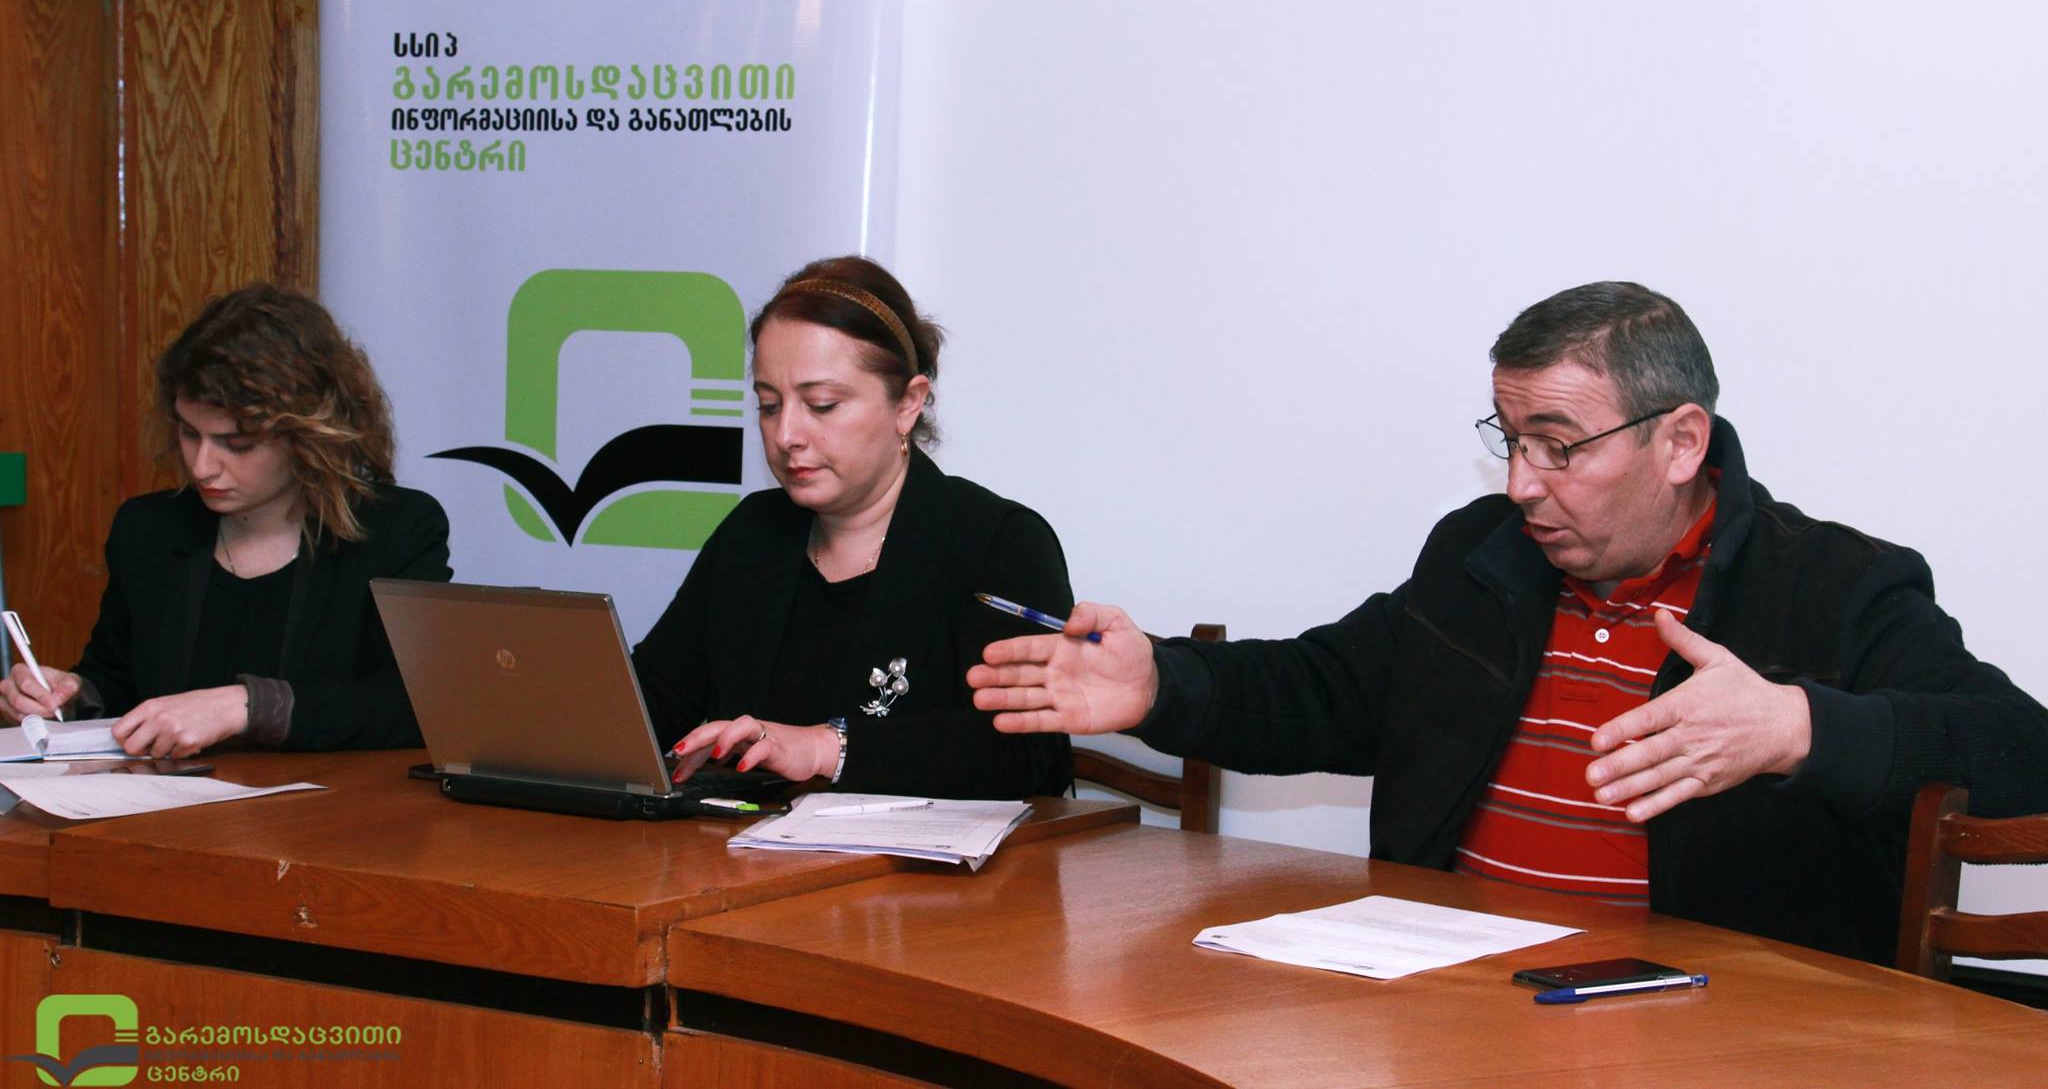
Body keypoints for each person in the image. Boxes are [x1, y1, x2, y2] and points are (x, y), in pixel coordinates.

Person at [970, 282, 2048, 962]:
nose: (1523, 483)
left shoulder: (1831, 586)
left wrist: (1800, 729)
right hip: (1450, 990)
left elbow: (2023, 753)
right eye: (1509, 438)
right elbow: (1326, 691)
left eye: (1558, 446)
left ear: (1680, 442)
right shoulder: (1482, 555)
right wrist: (1160, 683)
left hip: (1714, 1023)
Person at [635, 255, 1073, 798]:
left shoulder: (998, 542)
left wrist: (825, 749)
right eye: (769, 406)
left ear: (907, 403)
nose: (786, 434)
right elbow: (653, 704)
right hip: (744, 847)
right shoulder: (754, 531)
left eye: (821, 405)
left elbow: (1024, 753)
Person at [0, 284, 452, 756]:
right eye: (189, 433)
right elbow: (118, 682)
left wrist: (249, 706)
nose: (202, 467)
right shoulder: (148, 528)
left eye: (236, 444)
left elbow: (416, 705)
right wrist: (71, 696)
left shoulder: (396, 529)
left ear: (308, 434)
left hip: (332, 801)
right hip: (167, 798)